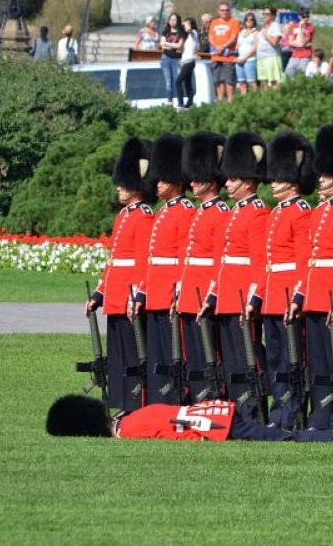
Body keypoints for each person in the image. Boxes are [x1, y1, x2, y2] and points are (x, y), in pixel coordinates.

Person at [289, 124, 333, 431]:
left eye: (327, 175)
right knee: (317, 361)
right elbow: (309, 261)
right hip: (316, 294)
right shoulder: (320, 211)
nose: (320, 179)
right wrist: (300, 294)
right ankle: (321, 413)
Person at [86, 138, 156, 413]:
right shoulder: (124, 216)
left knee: (132, 354)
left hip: (128, 295)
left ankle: (135, 402)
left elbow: (142, 262)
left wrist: (137, 294)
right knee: (117, 355)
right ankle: (121, 403)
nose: (118, 187)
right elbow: (113, 260)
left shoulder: (144, 216)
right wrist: (99, 293)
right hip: (115, 295)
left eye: (123, 182)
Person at [254, 132, 316, 430]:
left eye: (279, 179)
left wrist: (299, 296)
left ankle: (293, 411)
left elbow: (305, 261)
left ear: (292, 181)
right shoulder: (277, 212)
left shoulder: (301, 212)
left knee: (293, 358)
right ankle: (279, 410)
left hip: (289, 295)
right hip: (273, 298)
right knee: (276, 359)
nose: (273, 184)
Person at [205, 131, 269, 411]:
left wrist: (253, 298)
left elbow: (258, 262)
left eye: (233, 179)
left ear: (248, 181)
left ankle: (252, 406)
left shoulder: (258, 212)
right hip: (228, 294)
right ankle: (235, 404)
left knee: (248, 355)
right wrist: (214, 294)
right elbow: (222, 262)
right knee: (230, 356)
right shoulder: (234, 212)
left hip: (243, 294)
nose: (227, 184)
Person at [131, 134, 194, 405]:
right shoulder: (164, 211)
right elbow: (152, 258)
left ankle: (174, 400)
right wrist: (143, 291)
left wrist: (178, 292)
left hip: (169, 291)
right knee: (157, 353)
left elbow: (184, 257)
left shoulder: (185, 210)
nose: (156, 184)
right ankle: (157, 401)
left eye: (162, 178)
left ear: (176, 179)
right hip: (156, 291)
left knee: (173, 353)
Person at [46, 394, 333, 443]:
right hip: (219, 413)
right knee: (288, 435)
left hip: (219, 425)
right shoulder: (132, 415)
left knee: (289, 440)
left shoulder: (131, 429)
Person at [175, 133, 231, 399]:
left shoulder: (220, 213)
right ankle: (196, 395)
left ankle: (211, 397)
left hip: (203, 293)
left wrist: (211, 294)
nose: (193, 183)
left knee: (209, 352)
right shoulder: (200, 212)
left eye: (199, 178)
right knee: (192, 353)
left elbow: (219, 260)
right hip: (189, 292)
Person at [209, 3, 240, 103]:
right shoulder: (214, 22)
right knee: (218, 80)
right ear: (218, 11)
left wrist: (222, 47)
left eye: (226, 10)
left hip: (228, 56)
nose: (224, 12)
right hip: (216, 56)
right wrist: (216, 46)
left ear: (229, 11)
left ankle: (230, 102)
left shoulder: (234, 22)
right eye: (222, 10)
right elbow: (210, 37)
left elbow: (234, 38)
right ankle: (220, 101)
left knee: (229, 80)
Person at [159, 13, 185, 107]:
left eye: (174, 19)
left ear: (178, 20)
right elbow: (162, 45)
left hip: (177, 59)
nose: (172, 21)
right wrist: (172, 46)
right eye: (171, 19)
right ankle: (169, 102)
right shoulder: (165, 32)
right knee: (168, 82)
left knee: (177, 81)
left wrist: (167, 44)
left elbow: (179, 46)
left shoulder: (181, 32)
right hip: (166, 59)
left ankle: (180, 103)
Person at [255, 7, 284, 90]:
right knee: (263, 82)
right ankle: (266, 101)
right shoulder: (263, 27)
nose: (264, 16)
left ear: (273, 16)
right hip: (261, 58)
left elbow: (275, 42)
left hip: (271, 57)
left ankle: (276, 100)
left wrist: (266, 35)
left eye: (267, 14)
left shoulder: (275, 26)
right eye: (263, 14)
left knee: (274, 81)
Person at [283, 7, 316, 78]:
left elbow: (304, 42)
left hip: (305, 56)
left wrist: (300, 29)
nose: (306, 18)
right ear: (299, 16)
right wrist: (301, 44)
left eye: (307, 16)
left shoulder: (310, 27)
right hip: (294, 55)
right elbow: (290, 42)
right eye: (304, 16)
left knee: (302, 76)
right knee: (288, 75)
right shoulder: (294, 27)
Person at [175, 18, 199, 109]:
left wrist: (186, 24)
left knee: (178, 81)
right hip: (185, 61)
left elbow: (189, 30)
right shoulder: (186, 36)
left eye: (188, 23)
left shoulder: (194, 33)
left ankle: (180, 103)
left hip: (190, 61)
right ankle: (190, 103)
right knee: (187, 83)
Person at [234, 12, 259, 95]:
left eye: (251, 19)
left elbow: (255, 48)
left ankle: (254, 100)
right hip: (240, 60)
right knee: (241, 83)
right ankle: (244, 102)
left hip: (250, 60)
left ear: (254, 21)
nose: (249, 21)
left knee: (251, 83)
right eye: (247, 19)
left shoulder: (256, 33)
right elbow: (237, 45)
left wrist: (245, 58)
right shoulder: (241, 32)